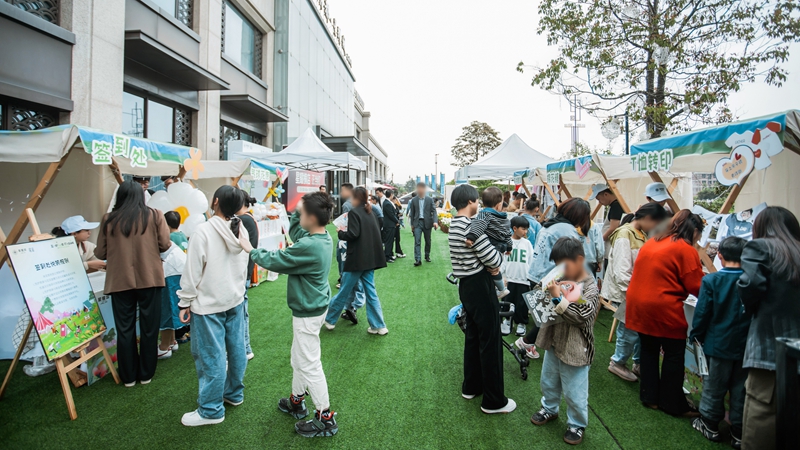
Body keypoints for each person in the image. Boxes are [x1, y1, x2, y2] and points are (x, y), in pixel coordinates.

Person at [241, 192, 339, 437]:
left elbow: (276, 259)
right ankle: (297, 401)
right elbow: (296, 233)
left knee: (309, 362)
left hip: (308, 310)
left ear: (312, 217)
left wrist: (250, 249)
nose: (299, 214)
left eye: (302, 211)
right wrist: (297, 210)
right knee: (299, 357)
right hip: (312, 306)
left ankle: (325, 417)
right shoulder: (321, 237)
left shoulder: (310, 245)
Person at [177, 186, 249, 427]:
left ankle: (210, 409)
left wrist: (184, 301)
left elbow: (192, 271)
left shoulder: (203, 231)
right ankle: (233, 393)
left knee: (211, 356)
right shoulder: (241, 228)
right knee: (236, 348)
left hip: (208, 304)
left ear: (215, 201)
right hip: (235, 299)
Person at [625, 210, 705, 416]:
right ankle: (671, 402)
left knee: (649, 350)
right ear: (694, 231)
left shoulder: (653, 241)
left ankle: (650, 396)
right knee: (674, 355)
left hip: (639, 304)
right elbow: (697, 286)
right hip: (663, 308)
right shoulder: (685, 249)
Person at [95, 180, 171, 387]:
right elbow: (165, 244)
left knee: (124, 329)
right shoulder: (155, 215)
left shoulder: (109, 220)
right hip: (150, 278)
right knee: (149, 328)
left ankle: (128, 376)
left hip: (119, 280)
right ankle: (146, 374)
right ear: (142, 195)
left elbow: (100, 253)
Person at [448, 184, 515, 414]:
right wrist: (501, 254)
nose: (478, 204)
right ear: (469, 202)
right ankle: (494, 401)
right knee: (490, 340)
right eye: (476, 200)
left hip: (466, 286)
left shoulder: (454, 224)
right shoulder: (469, 225)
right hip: (480, 286)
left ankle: (471, 386)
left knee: (473, 336)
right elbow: (493, 260)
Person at [738, 206, 800, 450]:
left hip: (769, 348)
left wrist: (751, 307)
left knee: (761, 419)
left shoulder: (760, 247)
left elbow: (750, 284)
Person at [530, 237, 599, 445]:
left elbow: (581, 316)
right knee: (548, 380)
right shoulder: (558, 276)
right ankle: (549, 408)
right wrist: (545, 287)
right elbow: (535, 296)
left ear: (579, 260)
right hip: (554, 342)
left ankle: (577, 423)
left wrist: (558, 297)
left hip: (576, 347)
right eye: (557, 265)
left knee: (575, 390)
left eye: (564, 265)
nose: (559, 269)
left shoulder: (590, 287)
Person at [689, 236, 749, 447]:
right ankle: (739, 432)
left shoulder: (712, 280)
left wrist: (696, 336)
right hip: (746, 345)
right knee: (741, 388)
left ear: (720, 256)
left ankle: (710, 424)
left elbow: (702, 312)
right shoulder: (753, 280)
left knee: (714, 386)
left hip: (718, 343)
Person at [516, 197, 592, 360]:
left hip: (537, 272)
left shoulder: (552, 223)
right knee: (550, 313)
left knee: (546, 312)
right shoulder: (567, 230)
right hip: (550, 275)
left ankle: (529, 342)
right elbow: (569, 257)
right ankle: (527, 342)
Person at [602, 203, 668, 382]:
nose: (655, 228)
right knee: (628, 328)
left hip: (638, 291)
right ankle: (618, 361)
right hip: (630, 291)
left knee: (637, 329)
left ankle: (636, 362)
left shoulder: (639, 234)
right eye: (656, 223)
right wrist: (632, 292)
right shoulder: (625, 234)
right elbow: (622, 271)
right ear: (647, 219)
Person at [325, 187, 388, 334]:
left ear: (356, 198)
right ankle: (378, 325)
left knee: (344, 290)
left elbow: (353, 234)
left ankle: (330, 320)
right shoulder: (370, 211)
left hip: (357, 260)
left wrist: (341, 233)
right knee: (371, 293)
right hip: (370, 260)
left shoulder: (354, 212)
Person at [465, 187, 512, 298]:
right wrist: (509, 248)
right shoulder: (505, 219)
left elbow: (479, 225)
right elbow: (508, 235)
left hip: (492, 245)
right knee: (495, 270)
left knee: (491, 269)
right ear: (499, 204)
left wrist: (471, 237)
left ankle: (500, 289)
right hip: (501, 248)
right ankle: (501, 288)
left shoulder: (485, 214)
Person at [501, 216, 535, 337]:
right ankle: (507, 320)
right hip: (509, 279)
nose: (526, 232)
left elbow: (531, 261)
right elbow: (503, 260)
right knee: (507, 301)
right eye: (523, 229)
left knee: (522, 303)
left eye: (527, 229)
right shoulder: (506, 243)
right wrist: (502, 275)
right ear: (514, 228)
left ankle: (521, 323)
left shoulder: (527, 244)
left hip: (524, 280)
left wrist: (530, 276)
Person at [238, 192, 259, 361]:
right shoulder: (248, 218)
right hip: (245, 270)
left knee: (241, 311)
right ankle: (244, 347)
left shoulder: (243, 220)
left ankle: (245, 347)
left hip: (242, 271)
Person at [157, 238, 186, 360]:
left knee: (168, 306)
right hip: (176, 267)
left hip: (170, 269)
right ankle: (171, 341)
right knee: (171, 305)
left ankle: (164, 347)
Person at [589, 184, 624, 265]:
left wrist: (600, 241)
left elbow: (613, 228)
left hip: (611, 248)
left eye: (599, 199)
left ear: (606, 194)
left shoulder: (616, 207)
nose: (600, 202)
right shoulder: (614, 205)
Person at [407, 182, 439, 266]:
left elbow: (434, 211)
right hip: (417, 223)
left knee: (427, 241)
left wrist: (435, 221)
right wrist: (412, 225)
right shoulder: (414, 200)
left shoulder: (429, 199)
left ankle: (427, 255)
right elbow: (412, 213)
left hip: (427, 223)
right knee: (417, 241)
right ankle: (418, 259)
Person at [376, 188, 398, 262]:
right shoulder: (387, 203)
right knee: (388, 241)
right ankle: (387, 257)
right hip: (389, 225)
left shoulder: (386, 202)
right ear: (391, 195)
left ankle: (389, 255)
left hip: (390, 224)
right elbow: (391, 215)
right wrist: (397, 221)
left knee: (390, 240)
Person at [390, 191, 406, 258]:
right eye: (395, 199)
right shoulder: (390, 205)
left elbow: (398, 210)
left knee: (397, 239)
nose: (397, 201)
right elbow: (392, 215)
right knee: (391, 239)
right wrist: (397, 221)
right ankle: (391, 253)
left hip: (396, 223)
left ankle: (398, 252)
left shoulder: (396, 205)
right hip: (394, 224)